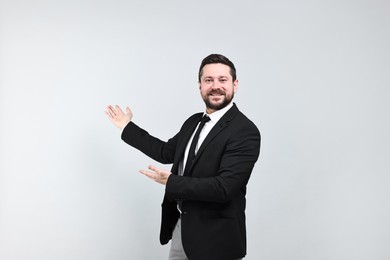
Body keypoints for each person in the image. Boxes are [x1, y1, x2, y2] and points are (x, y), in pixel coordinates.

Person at [105, 54, 261, 260]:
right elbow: (165, 152)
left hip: (218, 238)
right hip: (183, 230)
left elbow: (224, 188)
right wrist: (127, 127)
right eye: (209, 80)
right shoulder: (193, 122)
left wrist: (172, 182)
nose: (216, 86)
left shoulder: (245, 131)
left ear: (235, 84)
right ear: (200, 86)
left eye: (222, 80)